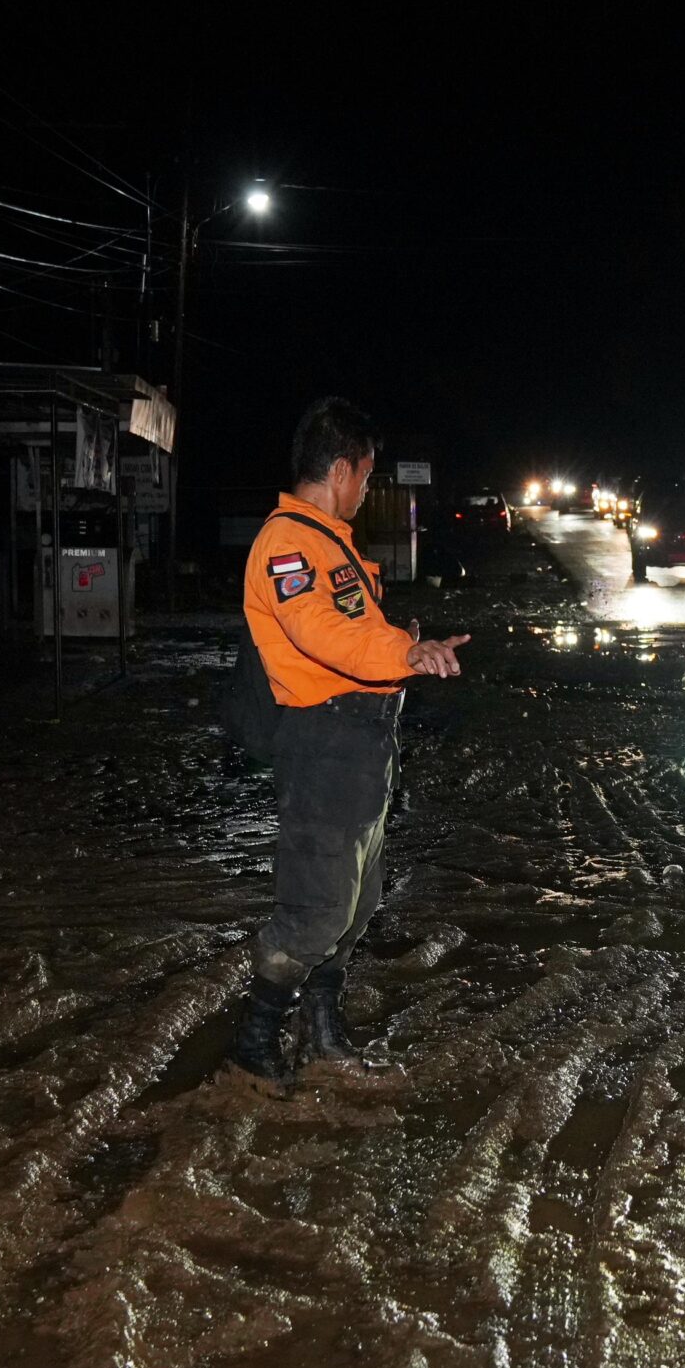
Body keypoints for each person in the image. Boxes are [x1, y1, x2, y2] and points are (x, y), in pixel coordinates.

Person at [224, 396, 468, 1094]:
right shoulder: (286, 543)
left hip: (362, 742)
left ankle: (324, 1033)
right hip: (323, 741)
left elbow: (351, 628)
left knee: (355, 905)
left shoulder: (329, 541)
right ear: (340, 468)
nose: (368, 488)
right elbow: (321, 633)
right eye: (366, 475)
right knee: (317, 907)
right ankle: (254, 1039)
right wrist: (405, 648)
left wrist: (406, 649)